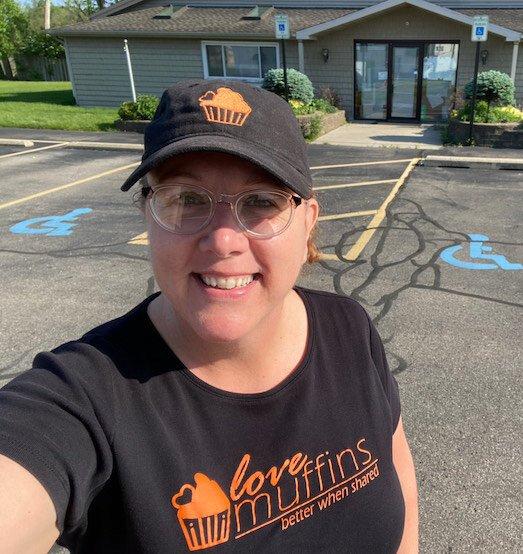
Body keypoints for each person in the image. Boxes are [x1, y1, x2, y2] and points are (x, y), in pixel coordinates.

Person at [0, 79, 418, 552]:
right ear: (147, 216)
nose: (223, 240)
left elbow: (398, 473)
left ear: (307, 223)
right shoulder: (87, 398)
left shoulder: (351, 330)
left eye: (261, 201)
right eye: (186, 199)